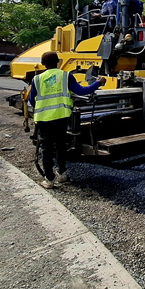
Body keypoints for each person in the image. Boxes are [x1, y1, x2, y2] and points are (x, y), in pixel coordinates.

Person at [29, 52, 106, 188]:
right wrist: (98, 83)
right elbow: (82, 91)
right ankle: (62, 173)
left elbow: (32, 100)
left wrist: (44, 107)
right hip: (61, 117)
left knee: (46, 149)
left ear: (43, 63)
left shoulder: (37, 79)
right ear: (58, 62)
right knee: (60, 146)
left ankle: (49, 179)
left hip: (44, 119)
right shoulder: (66, 76)